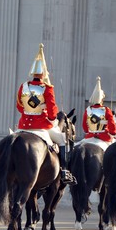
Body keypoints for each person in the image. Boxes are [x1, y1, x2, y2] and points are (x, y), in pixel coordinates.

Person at [16, 43, 77, 185]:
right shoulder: (47, 88)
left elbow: (19, 107)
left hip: (23, 125)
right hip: (42, 126)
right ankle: (63, 171)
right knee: (61, 139)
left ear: (33, 72)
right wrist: (50, 118)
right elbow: (52, 113)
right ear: (44, 74)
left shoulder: (23, 86)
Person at [80, 76, 116, 150]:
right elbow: (112, 125)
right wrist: (112, 133)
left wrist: (89, 131)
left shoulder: (88, 110)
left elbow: (84, 125)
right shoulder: (106, 110)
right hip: (104, 137)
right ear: (102, 99)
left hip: (89, 137)